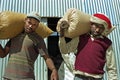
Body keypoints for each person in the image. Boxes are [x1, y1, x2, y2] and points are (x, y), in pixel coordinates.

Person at [58, 13, 118, 80]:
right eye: (96, 26)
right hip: (79, 77)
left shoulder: (107, 43)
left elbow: (111, 67)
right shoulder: (81, 37)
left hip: (97, 78)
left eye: (101, 28)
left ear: (103, 29)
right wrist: (62, 36)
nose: (97, 30)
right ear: (91, 24)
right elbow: (65, 50)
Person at [0, 12, 58, 80]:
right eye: (29, 22)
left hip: (27, 78)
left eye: (34, 25)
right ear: (25, 20)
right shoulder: (15, 35)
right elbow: (3, 54)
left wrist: (53, 70)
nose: (30, 26)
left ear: (37, 26)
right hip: (8, 77)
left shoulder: (38, 39)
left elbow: (47, 58)